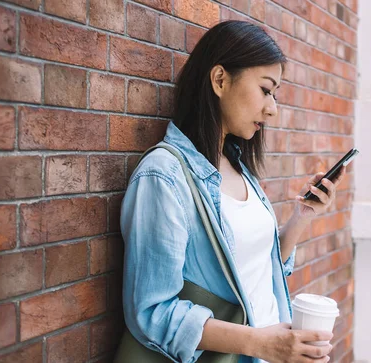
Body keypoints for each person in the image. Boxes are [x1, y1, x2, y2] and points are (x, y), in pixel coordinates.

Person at [120, 20, 346, 363]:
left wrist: (302, 217)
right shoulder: (164, 176)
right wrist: (259, 343)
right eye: (266, 89)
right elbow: (152, 312)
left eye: (276, 94)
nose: (273, 108)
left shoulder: (237, 166)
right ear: (220, 80)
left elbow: (257, 268)